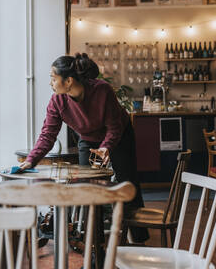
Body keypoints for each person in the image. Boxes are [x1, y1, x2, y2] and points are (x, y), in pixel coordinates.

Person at [20, 53, 149, 243]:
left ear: (69, 81)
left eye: (53, 78)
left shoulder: (102, 90)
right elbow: (48, 134)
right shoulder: (57, 101)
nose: (50, 83)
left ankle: (138, 239)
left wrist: (106, 148)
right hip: (88, 139)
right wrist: (31, 159)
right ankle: (94, 244)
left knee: (127, 182)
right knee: (86, 187)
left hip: (119, 136)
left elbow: (114, 127)